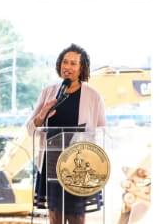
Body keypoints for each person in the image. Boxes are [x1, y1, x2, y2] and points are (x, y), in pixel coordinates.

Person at [27, 44, 106, 224]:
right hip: (52, 162)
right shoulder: (48, 92)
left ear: (81, 68)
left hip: (79, 163)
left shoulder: (93, 96)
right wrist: (42, 114)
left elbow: (102, 131)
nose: (67, 67)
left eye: (73, 63)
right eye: (65, 62)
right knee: (55, 216)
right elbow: (31, 128)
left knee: (77, 217)